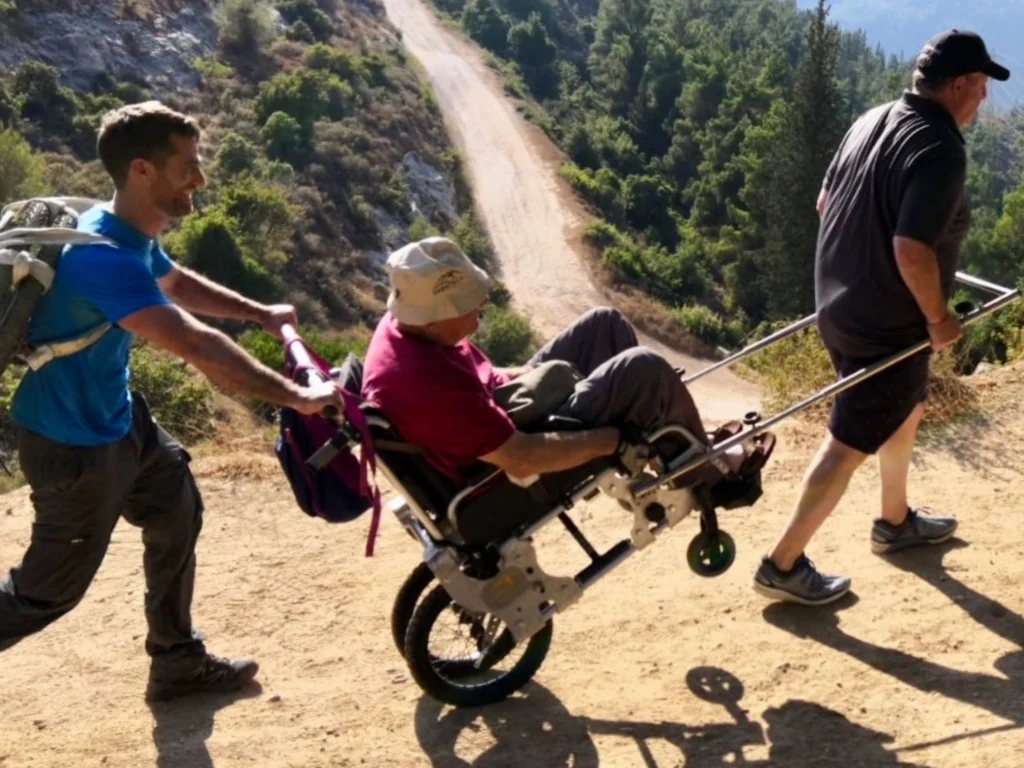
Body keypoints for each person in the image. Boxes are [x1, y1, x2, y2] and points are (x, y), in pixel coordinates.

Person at [0, 102, 343, 701]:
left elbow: (175, 281)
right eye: (188, 165)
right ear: (141, 170)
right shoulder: (98, 257)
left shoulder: (126, 234)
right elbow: (195, 344)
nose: (200, 178)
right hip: (72, 446)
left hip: (118, 420)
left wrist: (259, 313)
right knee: (45, 592)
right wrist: (297, 396)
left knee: (176, 510)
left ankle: (178, 661)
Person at [753, 30, 1011, 606]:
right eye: (983, 88)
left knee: (907, 405)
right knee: (847, 441)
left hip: (838, 305)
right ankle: (782, 564)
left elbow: (826, 203)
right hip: (886, 324)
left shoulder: (872, 118)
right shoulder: (940, 148)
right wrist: (940, 319)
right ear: (961, 84)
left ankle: (894, 522)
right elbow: (911, 250)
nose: (984, 101)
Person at [360, 236, 769, 486]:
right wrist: (611, 440)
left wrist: (521, 375)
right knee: (644, 369)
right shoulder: (427, 390)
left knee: (603, 324)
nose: (482, 307)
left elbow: (474, 377)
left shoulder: (407, 327)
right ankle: (709, 476)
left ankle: (670, 440)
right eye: (470, 306)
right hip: (514, 448)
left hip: (501, 404)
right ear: (434, 318)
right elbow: (520, 458)